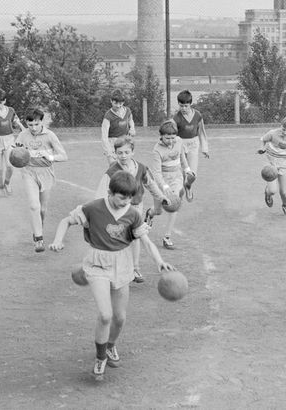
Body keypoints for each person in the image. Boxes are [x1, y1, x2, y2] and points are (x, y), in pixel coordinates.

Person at [49, 171, 175, 381]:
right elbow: (66, 221)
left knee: (120, 317)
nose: (125, 201)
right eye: (121, 197)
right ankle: (100, 359)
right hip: (98, 263)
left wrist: (159, 261)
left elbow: (145, 241)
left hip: (122, 263)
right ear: (110, 192)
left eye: (129, 198)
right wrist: (58, 240)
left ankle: (110, 345)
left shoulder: (133, 214)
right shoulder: (93, 207)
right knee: (105, 315)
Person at [95, 136, 168, 283]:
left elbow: (150, 184)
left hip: (136, 208)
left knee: (135, 238)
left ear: (132, 152)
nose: (123, 156)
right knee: (117, 238)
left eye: (126, 152)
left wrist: (161, 197)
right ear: (115, 153)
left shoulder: (141, 168)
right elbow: (100, 195)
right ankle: (111, 268)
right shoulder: (111, 172)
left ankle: (135, 269)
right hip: (117, 210)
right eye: (119, 153)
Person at [15, 107, 68, 253]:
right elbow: (15, 153)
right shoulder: (22, 135)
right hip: (29, 172)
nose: (33, 128)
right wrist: (15, 156)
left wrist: (50, 156)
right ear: (26, 123)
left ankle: (38, 229)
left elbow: (64, 156)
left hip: (46, 173)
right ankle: (38, 239)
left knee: (42, 210)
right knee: (34, 206)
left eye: (36, 124)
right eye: (30, 125)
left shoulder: (50, 135)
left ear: (41, 122)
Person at [149, 119, 193, 250]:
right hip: (162, 180)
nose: (171, 141)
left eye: (173, 138)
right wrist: (164, 186)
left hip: (176, 178)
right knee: (158, 211)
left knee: (174, 203)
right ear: (161, 136)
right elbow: (156, 173)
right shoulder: (157, 150)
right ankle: (149, 214)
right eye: (167, 138)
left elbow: (182, 157)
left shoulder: (179, 141)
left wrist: (187, 170)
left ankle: (167, 237)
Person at [172, 90, 209, 201]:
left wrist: (205, 148)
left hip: (193, 144)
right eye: (181, 106)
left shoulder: (197, 115)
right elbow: (172, 136)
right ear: (178, 104)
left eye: (186, 106)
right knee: (183, 171)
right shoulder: (176, 118)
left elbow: (201, 132)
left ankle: (188, 185)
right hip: (180, 145)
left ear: (190, 104)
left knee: (192, 174)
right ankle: (185, 188)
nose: (183, 108)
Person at [101, 89, 136, 164]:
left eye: (120, 103)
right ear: (111, 101)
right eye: (115, 103)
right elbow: (104, 136)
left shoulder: (127, 110)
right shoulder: (108, 116)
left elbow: (130, 120)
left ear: (123, 102)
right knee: (114, 167)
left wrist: (132, 128)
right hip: (112, 143)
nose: (118, 106)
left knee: (126, 166)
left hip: (125, 141)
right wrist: (109, 150)